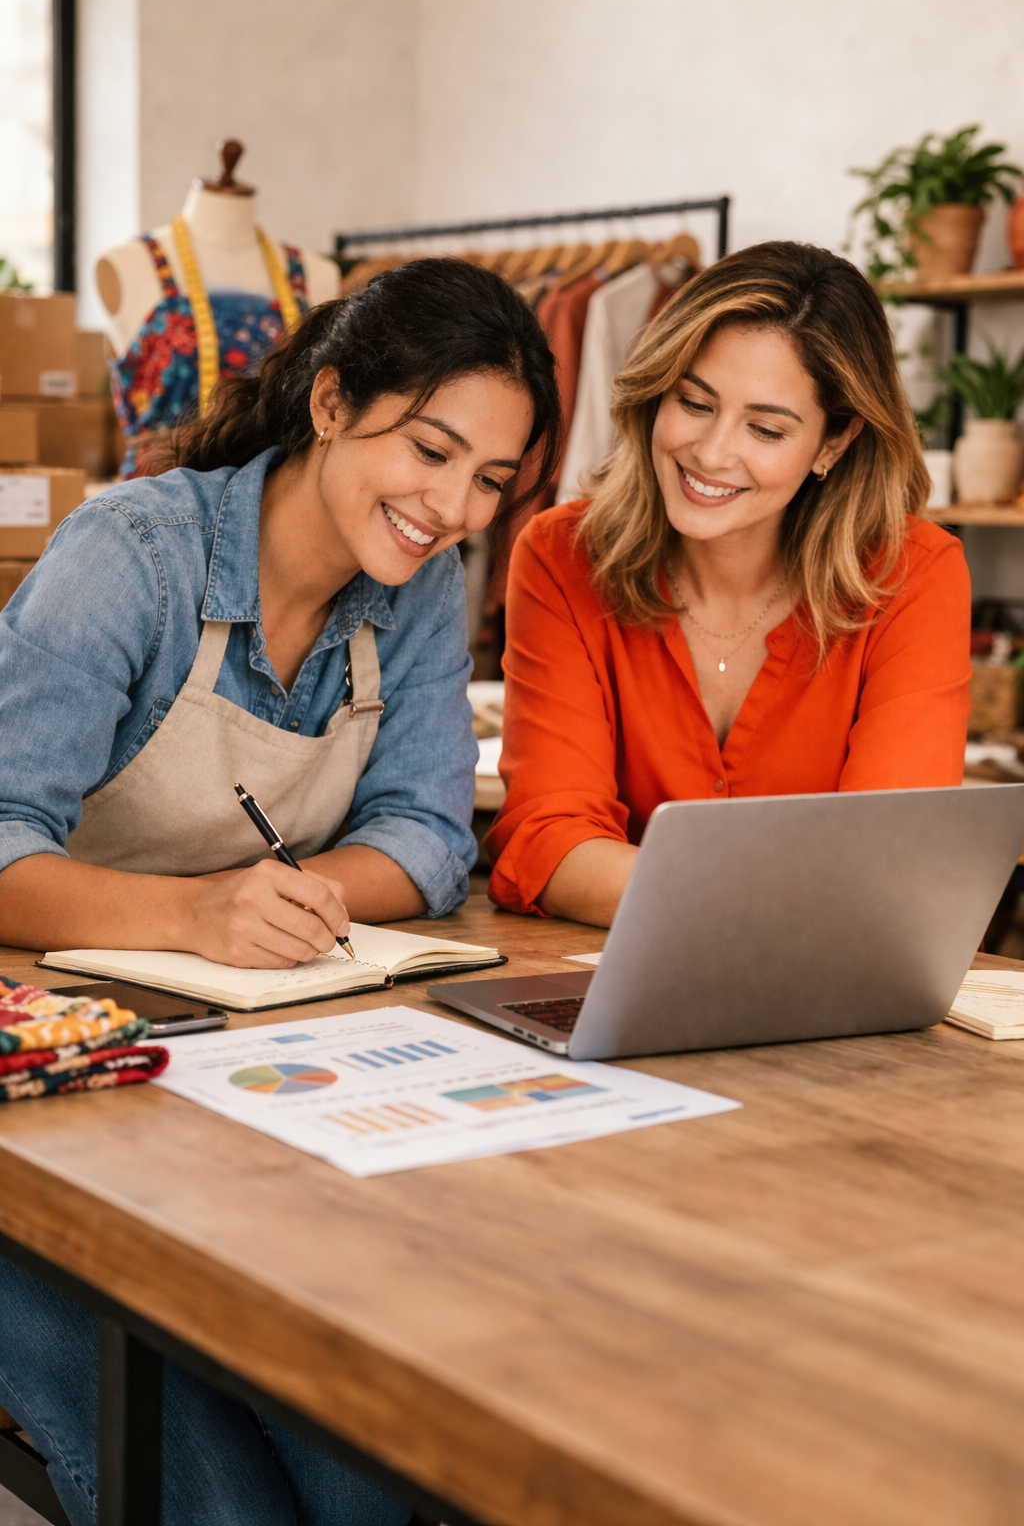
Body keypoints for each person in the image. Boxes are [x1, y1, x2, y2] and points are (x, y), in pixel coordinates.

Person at [0, 257, 559, 1526]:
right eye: (430, 450)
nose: (451, 508)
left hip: (237, 1077)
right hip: (38, 1105)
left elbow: (427, 837)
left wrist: (293, 899)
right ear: (329, 401)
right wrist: (197, 914)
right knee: (222, 1504)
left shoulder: (416, 588)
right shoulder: (132, 557)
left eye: (488, 480)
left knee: (363, 1483)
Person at [487, 241, 971, 926]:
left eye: (766, 429)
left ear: (833, 443)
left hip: (822, 981)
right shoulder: (561, 556)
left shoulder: (914, 573)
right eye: (694, 402)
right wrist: (782, 898)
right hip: (617, 971)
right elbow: (549, 840)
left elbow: (889, 859)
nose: (712, 453)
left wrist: (679, 892)